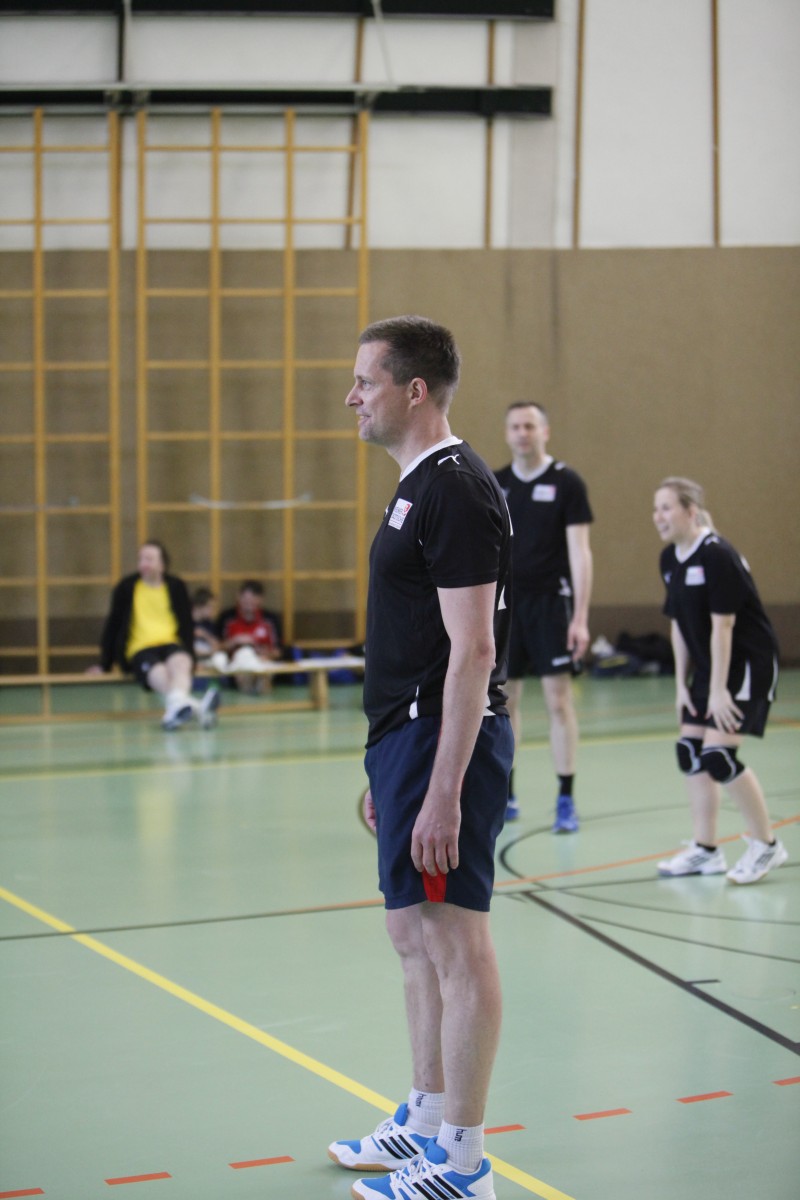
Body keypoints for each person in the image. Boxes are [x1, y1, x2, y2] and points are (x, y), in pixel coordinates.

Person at [327, 316, 513, 1200]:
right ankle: (429, 1116)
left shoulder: (457, 490)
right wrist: (386, 768)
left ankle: (464, 1165)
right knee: (411, 931)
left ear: (413, 389)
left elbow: (473, 652)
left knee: (454, 939)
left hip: (445, 742)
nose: (351, 397)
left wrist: (442, 791)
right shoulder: (418, 487)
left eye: (365, 381)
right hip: (405, 739)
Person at [653, 477, 787, 884]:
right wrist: (681, 684)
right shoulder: (670, 559)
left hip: (746, 665)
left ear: (690, 511)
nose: (658, 516)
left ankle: (766, 845)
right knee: (690, 752)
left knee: (718, 757)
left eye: (666, 508)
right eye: (655, 509)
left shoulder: (717, 555)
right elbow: (679, 626)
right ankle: (705, 850)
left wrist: (717, 691)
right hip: (710, 667)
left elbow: (724, 626)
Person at [494, 401, 593, 830]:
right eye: (516, 426)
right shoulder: (496, 483)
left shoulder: (567, 482)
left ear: (545, 432)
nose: (523, 433)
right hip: (507, 607)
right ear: (507, 433)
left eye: (530, 426)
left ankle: (565, 798)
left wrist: (580, 617)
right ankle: (507, 793)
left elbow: (581, 553)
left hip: (552, 605)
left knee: (558, 701)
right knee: (505, 702)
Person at [90, 541, 220, 731]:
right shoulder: (126, 587)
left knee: (182, 662)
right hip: (140, 648)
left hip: (171, 643)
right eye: (141, 559)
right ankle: (198, 708)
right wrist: (104, 664)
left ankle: (175, 713)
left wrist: (191, 657)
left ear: (162, 564)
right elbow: (113, 625)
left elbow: (186, 624)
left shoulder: (176, 586)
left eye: (149, 559)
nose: (143, 563)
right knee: (159, 672)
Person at [216, 580, 282, 694]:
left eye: (252, 600)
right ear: (238, 597)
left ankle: (262, 690)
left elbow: (278, 651)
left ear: (260, 600)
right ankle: (247, 689)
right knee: (244, 658)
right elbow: (217, 647)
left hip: (263, 663)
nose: (248, 603)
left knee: (263, 676)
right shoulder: (226, 618)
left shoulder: (270, 619)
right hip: (236, 664)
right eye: (245, 599)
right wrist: (235, 641)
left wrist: (265, 654)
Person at [191, 587, 221, 663]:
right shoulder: (186, 623)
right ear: (199, 606)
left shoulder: (209, 624)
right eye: (210, 607)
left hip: (208, 659)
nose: (212, 610)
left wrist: (204, 635)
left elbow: (217, 646)